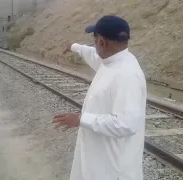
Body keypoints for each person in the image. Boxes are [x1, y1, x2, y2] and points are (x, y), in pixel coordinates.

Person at [52, 15, 147, 180]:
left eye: (94, 40)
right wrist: (73, 47)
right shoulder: (113, 60)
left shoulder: (127, 75)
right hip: (100, 161)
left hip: (112, 168)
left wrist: (81, 119)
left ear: (102, 42)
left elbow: (126, 124)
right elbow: (92, 55)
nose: (94, 45)